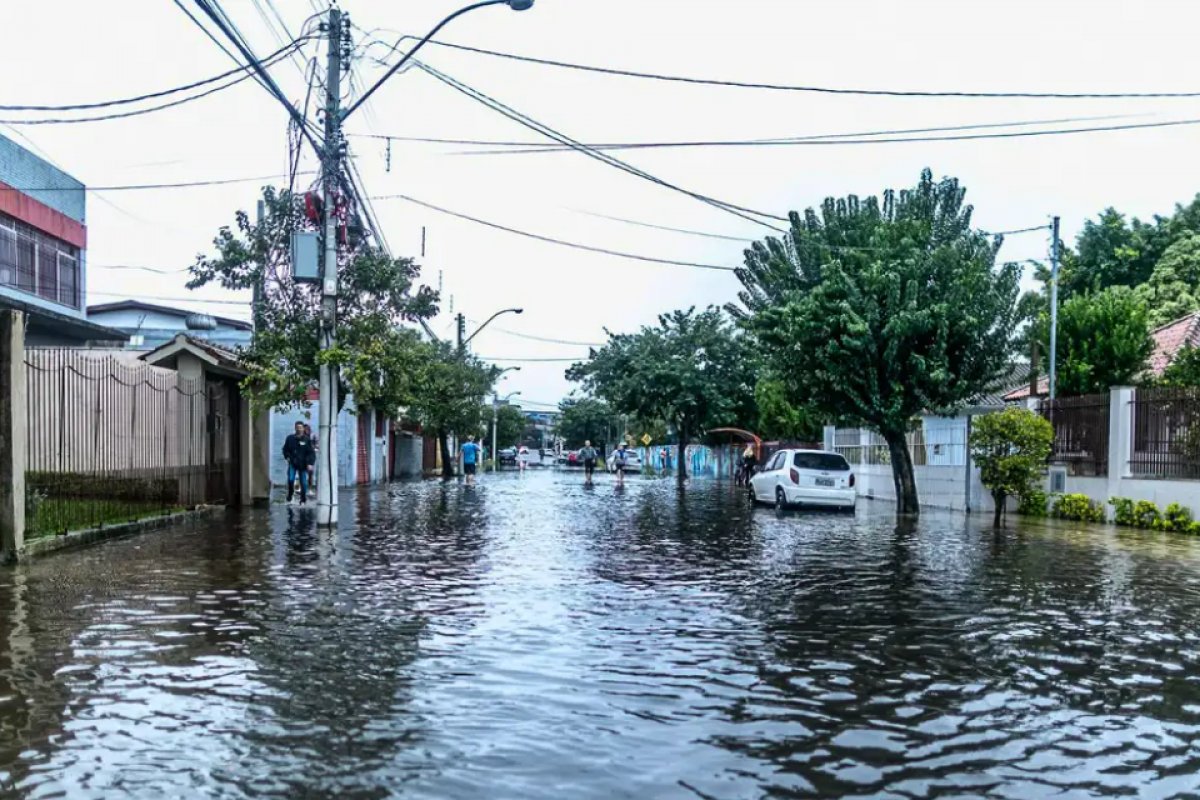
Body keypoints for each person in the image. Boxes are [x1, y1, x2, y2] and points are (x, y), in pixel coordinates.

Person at [282, 420, 316, 504]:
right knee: (290, 479)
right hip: (293, 463)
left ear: (303, 429)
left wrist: (310, 463)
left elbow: (311, 453)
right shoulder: (290, 438)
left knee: (303, 483)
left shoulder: (306, 439)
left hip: (303, 464)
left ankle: (303, 499)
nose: (299, 429)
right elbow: (285, 449)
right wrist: (287, 457)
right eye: (297, 428)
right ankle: (290, 495)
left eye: (300, 428)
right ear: (295, 428)